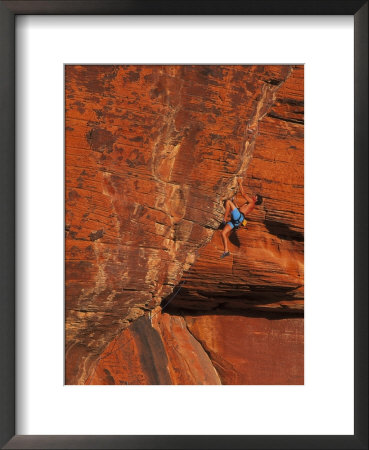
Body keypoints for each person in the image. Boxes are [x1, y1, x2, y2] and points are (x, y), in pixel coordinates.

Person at [220, 178, 263, 259]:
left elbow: (243, 194)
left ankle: (224, 219)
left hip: (238, 217)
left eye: (255, 196)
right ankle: (226, 251)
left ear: (256, 199)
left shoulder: (251, 202)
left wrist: (240, 183)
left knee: (228, 202)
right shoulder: (250, 205)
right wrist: (235, 202)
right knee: (223, 233)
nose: (253, 196)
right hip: (237, 220)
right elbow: (239, 209)